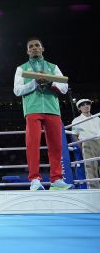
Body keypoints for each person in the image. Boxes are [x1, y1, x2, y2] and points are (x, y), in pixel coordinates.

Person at [13, 37, 73, 190]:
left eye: (37, 45)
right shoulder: (22, 68)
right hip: (32, 109)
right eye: (31, 46)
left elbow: (64, 88)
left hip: (52, 109)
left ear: (42, 48)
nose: (34, 48)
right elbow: (17, 90)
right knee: (32, 144)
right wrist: (34, 82)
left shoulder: (53, 67)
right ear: (27, 51)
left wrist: (50, 82)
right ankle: (34, 179)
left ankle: (56, 179)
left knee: (56, 146)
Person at [72, 99, 100, 188]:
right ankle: (94, 189)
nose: (86, 106)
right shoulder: (76, 120)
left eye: (88, 104)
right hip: (87, 143)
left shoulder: (97, 118)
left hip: (99, 140)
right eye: (83, 105)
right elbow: (75, 136)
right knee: (90, 168)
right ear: (79, 108)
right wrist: (82, 146)